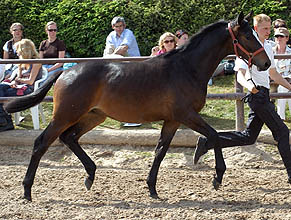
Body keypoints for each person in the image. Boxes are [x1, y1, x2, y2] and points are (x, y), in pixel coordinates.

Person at [193, 14, 291, 184]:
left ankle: (207, 142)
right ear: (255, 29)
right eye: (265, 29)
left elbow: (273, 74)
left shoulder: (267, 47)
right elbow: (240, 75)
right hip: (257, 95)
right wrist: (251, 87)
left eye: (269, 28)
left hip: (264, 95)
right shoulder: (247, 47)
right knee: (282, 132)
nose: (268, 32)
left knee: (248, 137)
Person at [104, 16, 141, 127]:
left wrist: (111, 57)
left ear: (124, 26)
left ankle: (135, 118)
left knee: (132, 91)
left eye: (121, 26)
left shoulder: (128, 33)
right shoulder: (111, 36)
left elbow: (123, 49)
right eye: (117, 26)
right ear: (113, 27)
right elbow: (107, 53)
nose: (119, 29)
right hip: (120, 66)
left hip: (135, 66)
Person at [0, 39, 44, 132]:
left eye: (18, 51)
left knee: (2, 94)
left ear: (25, 51)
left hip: (29, 89)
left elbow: (31, 81)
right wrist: (14, 83)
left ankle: (5, 121)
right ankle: (4, 121)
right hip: (20, 87)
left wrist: (17, 80)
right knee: (1, 87)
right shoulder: (21, 62)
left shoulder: (36, 62)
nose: (17, 53)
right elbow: (18, 79)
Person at [273, 27, 291, 120]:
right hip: (273, 81)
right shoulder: (270, 51)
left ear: (287, 38)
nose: (279, 39)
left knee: (284, 88)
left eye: (281, 36)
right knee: (283, 88)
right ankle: (280, 117)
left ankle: (280, 118)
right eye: (277, 36)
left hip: (288, 81)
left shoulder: (290, 52)